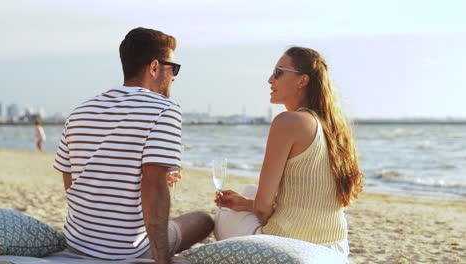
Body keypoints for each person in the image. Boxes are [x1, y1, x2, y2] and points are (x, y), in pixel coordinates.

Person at [53, 27, 213, 264]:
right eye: (173, 68)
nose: (174, 76)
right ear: (155, 67)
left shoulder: (80, 112)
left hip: (79, 243)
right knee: (204, 219)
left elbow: (72, 180)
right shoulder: (164, 110)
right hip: (129, 251)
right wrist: (161, 260)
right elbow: (154, 189)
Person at [214, 47, 364, 262]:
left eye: (278, 72)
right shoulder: (334, 127)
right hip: (335, 248)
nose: (270, 79)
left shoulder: (288, 122)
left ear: (302, 81)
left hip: (287, 246)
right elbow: (311, 200)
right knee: (249, 192)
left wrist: (257, 210)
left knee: (222, 215)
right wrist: (248, 204)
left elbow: (264, 208)